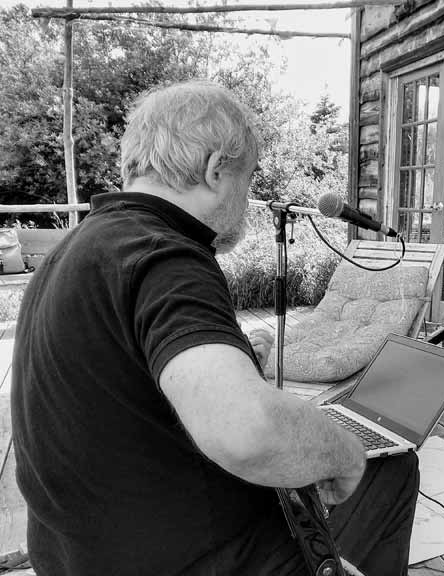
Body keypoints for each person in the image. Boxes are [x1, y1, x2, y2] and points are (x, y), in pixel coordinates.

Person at [11, 80, 419, 576]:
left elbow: (119, 386)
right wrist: (346, 453)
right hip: (197, 559)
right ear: (215, 169)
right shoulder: (166, 255)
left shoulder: (75, 251)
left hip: (81, 552)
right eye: (247, 181)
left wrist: (239, 355)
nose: (247, 199)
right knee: (391, 467)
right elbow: (248, 431)